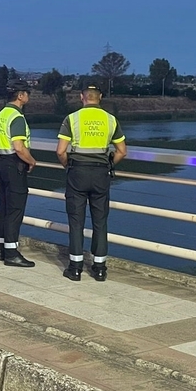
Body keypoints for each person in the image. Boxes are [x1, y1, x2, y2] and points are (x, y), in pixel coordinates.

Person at [55, 84, 127, 281]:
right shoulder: (111, 120)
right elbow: (122, 151)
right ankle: (100, 267)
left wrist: (68, 166)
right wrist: (109, 164)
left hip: (77, 172)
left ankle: (75, 267)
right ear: (100, 97)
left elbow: (61, 151)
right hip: (101, 174)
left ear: (82, 97)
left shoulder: (72, 118)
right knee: (100, 221)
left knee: (76, 221)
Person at [0, 79, 39, 267]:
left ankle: (1, 249)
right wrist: (32, 161)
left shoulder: (1, 115)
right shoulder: (17, 117)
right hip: (14, 165)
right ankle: (12, 253)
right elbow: (19, 147)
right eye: (27, 93)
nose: (28, 96)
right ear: (20, 96)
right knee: (15, 209)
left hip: (1, 163)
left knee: (4, 207)